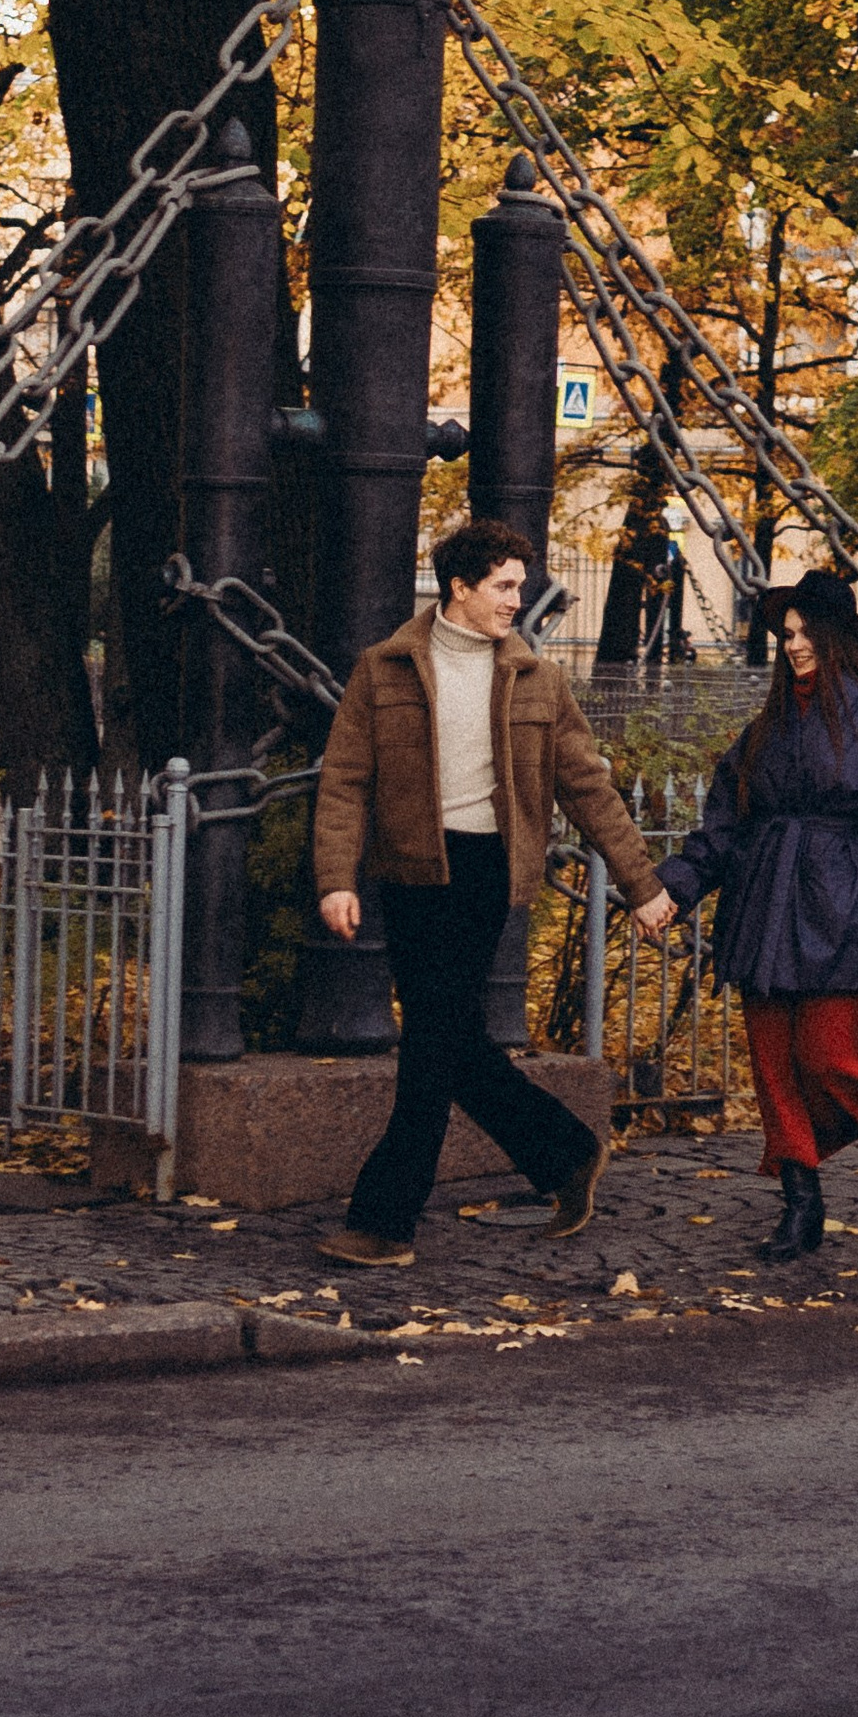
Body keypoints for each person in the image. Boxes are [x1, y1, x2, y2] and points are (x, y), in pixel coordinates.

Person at [311, 518, 677, 1269]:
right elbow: (345, 783)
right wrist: (336, 879)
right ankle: (566, 1153)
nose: (519, 599)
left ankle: (384, 1220)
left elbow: (587, 786)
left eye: (521, 585)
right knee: (455, 1043)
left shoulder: (536, 679)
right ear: (460, 588)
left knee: (429, 1048)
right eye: (504, 586)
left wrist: (642, 883)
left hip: (486, 874)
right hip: (411, 875)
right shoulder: (384, 669)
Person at [655, 571, 858, 1263]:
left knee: (833, 1049)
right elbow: (720, 830)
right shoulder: (764, 730)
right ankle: (800, 1203)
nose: (793, 645)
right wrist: (672, 890)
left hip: (837, 901)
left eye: (806, 632)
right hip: (760, 904)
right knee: (774, 1063)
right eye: (786, 635)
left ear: (838, 638)